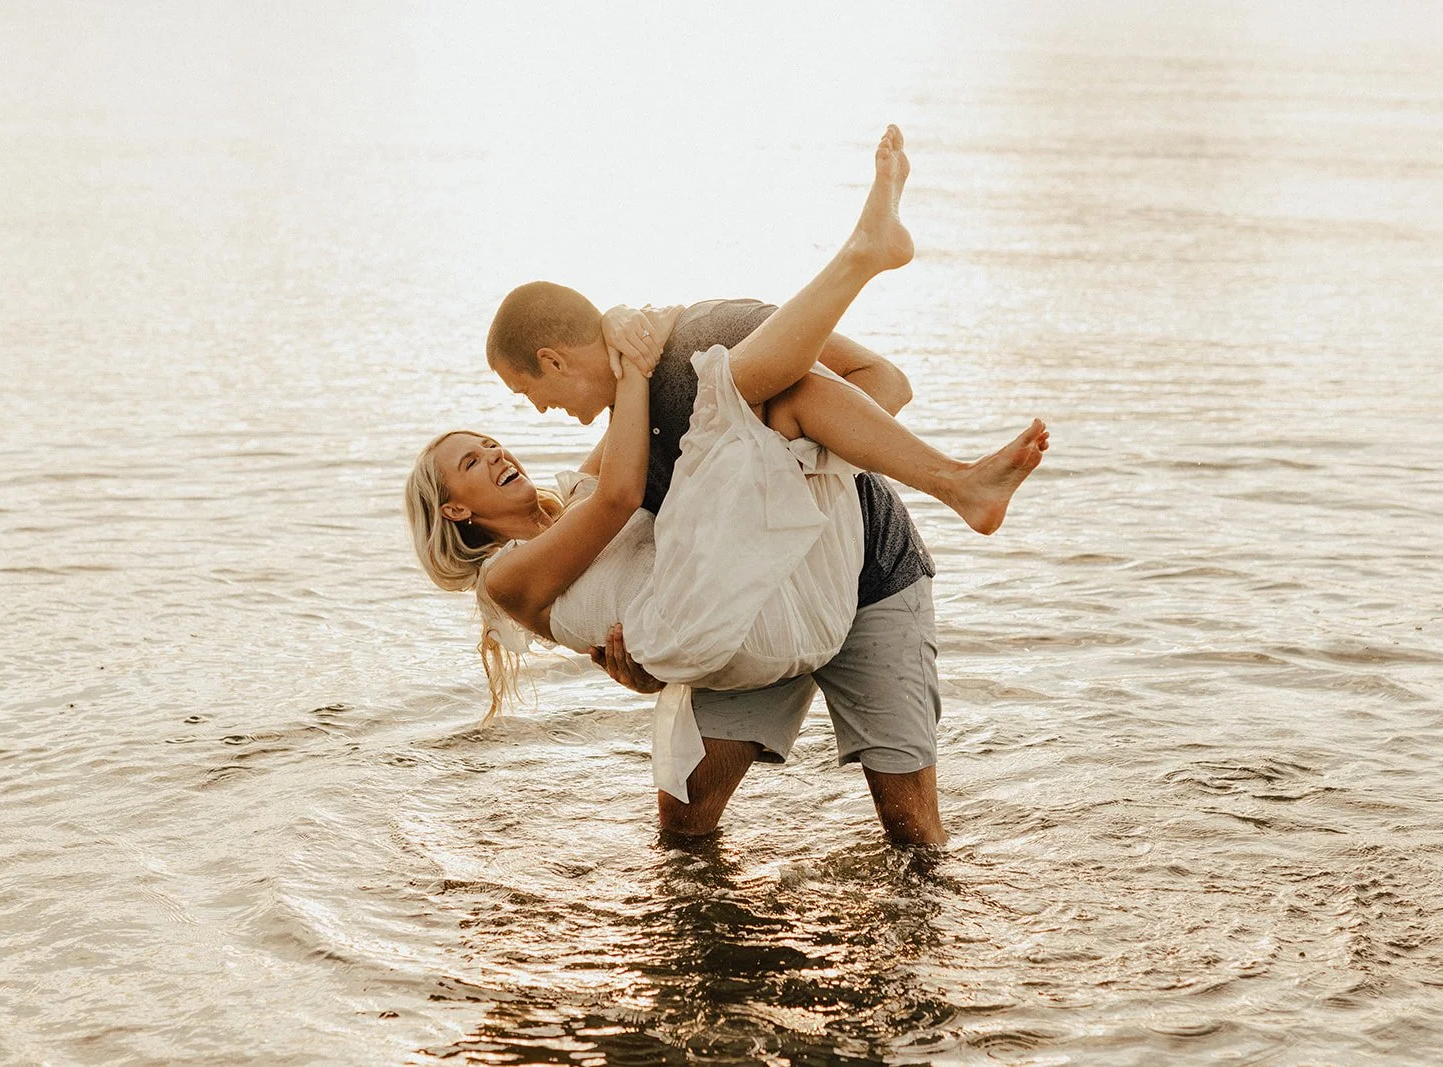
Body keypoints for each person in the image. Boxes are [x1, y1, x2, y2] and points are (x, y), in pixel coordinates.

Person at [413, 127, 1048, 844]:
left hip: (866, 574)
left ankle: (939, 437)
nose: (526, 418)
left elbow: (887, 385)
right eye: (476, 457)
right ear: (459, 509)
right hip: (746, 614)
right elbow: (625, 516)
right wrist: (651, 664)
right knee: (684, 826)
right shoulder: (596, 474)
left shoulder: (707, 335)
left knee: (910, 828)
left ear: (553, 360)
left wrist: (784, 461)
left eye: (522, 391)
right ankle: (869, 274)